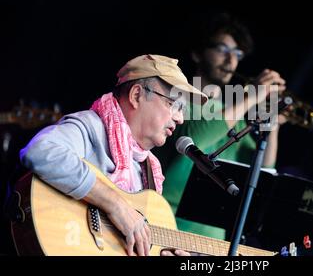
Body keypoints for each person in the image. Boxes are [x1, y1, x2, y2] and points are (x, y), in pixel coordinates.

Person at [19, 54, 208, 256]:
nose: (180, 118)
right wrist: (116, 205)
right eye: (174, 104)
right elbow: (40, 150)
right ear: (137, 95)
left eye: (183, 109)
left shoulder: (149, 170)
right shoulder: (92, 127)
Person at [154, 12, 287, 240]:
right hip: (167, 226)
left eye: (237, 53)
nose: (230, 60)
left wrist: (271, 122)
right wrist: (251, 96)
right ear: (197, 53)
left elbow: (262, 169)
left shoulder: (234, 112)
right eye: (222, 49)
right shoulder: (177, 98)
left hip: (214, 239)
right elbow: (193, 136)